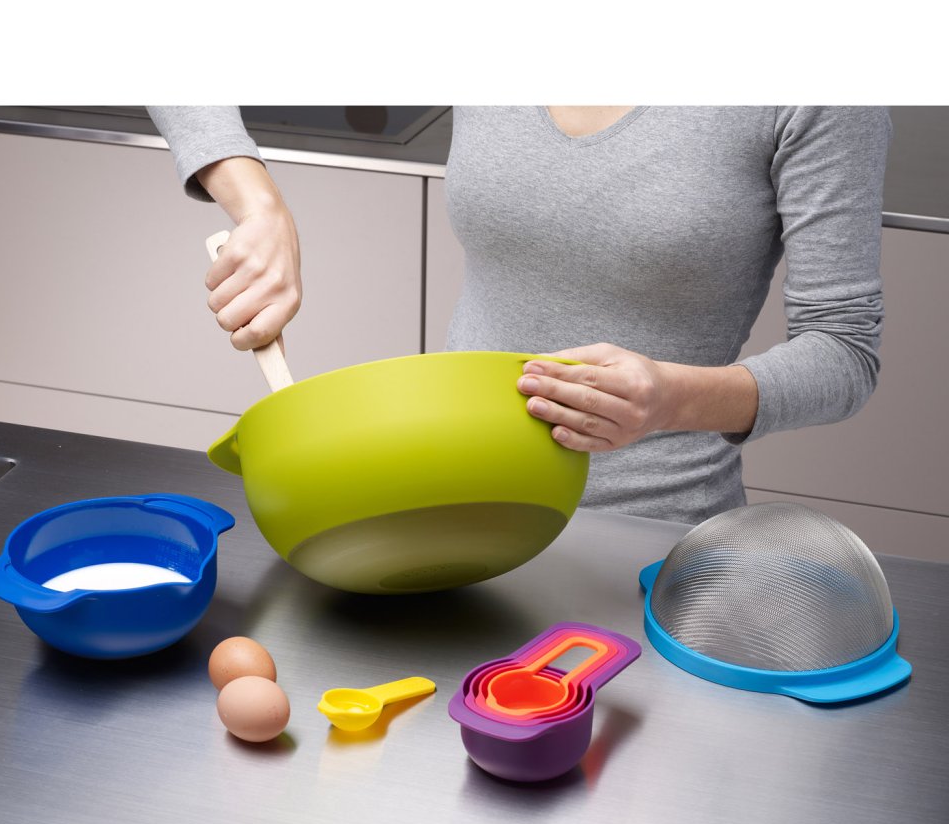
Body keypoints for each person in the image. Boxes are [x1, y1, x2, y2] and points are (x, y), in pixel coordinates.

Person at [147, 105, 891, 524]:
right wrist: (259, 205)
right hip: (441, 510)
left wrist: (671, 398)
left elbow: (844, 352)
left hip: (646, 541)